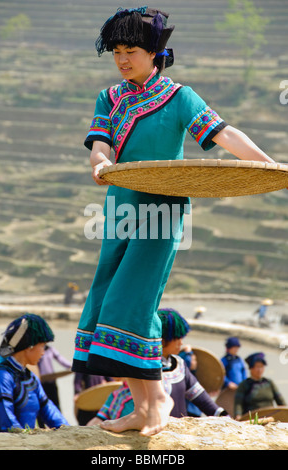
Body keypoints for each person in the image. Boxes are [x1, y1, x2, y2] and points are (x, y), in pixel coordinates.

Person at [72, 6, 277, 436]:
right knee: (108, 300)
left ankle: (159, 398)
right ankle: (143, 407)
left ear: (154, 52)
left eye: (130, 50)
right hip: (120, 206)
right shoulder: (109, 98)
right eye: (116, 52)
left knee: (134, 301)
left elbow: (224, 134)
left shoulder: (180, 97)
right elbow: (100, 146)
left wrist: (266, 165)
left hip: (162, 211)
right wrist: (100, 163)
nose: (122, 59)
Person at [87, 308, 227, 426]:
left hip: (177, 436)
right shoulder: (139, 369)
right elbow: (105, 414)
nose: (181, 343)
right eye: (177, 338)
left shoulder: (179, 365)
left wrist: (225, 417)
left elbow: (200, 398)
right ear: (161, 339)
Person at [0, 313, 69, 432]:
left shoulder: (31, 377)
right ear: (29, 347)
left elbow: (47, 408)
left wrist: (67, 429)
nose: (43, 352)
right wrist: (24, 436)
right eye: (42, 346)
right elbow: (7, 421)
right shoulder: (1, 376)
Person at [234, 352, 286, 420]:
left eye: (261, 367)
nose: (259, 370)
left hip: (270, 418)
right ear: (251, 368)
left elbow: (280, 401)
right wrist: (238, 416)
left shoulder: (269, 383)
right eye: (257, 367)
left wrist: (285, 411)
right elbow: (238, 404)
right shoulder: (244, 385)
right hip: (252, 419)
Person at [37, 345, 72, 427]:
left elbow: (61, 359)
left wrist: (71, 366)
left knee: (55, 404)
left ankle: (60, 426)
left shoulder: (50, 349)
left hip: (51, 382)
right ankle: (42, 426)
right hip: (40, 383)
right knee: (40, 405)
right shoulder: (35, 350)